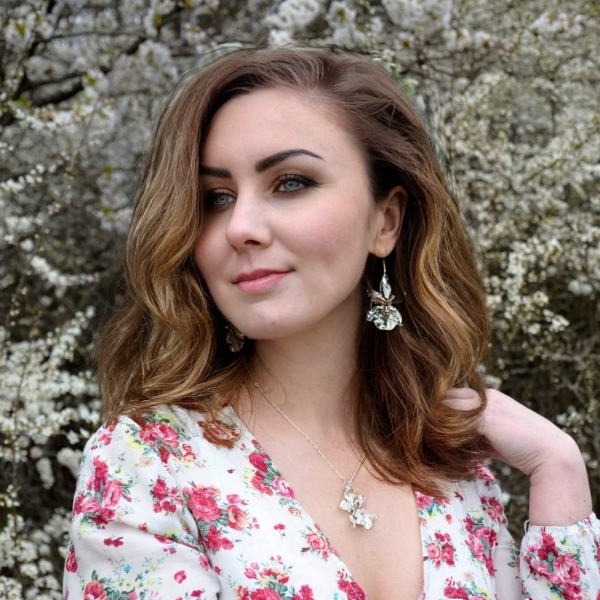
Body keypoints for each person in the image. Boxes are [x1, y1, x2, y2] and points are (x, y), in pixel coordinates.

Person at [63, 45, 599, 600]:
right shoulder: (146, 467)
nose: (240, 226)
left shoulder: (449, 463)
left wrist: (559, 471)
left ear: (385, 222)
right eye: (215, 198)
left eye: (290, 182)